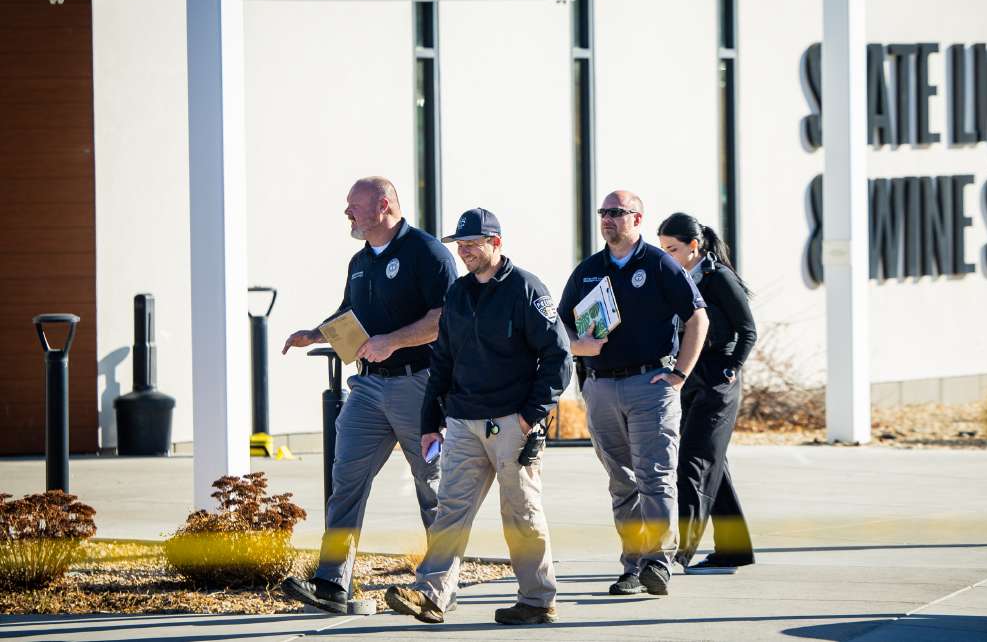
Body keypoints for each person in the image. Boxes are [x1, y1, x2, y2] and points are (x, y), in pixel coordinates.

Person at [385, 208, 571, 626]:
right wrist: (430, 420)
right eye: (461, 245)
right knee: (450, 509)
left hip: (511, 423)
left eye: (473, 244)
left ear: (496, 244)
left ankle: (538, 600)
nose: (465, 252)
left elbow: (558, 358)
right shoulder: (458, 293)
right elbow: (443, 359)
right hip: (465, 421)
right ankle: (431, 595)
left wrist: (529, 417)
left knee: (520, 512)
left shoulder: (526, 288)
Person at [280, 176, 456, 613]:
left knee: (432, 487)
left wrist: (392, 341)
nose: (347, 213)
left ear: (383, 205)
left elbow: (444, 317)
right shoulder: (359, 261)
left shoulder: (427, 252)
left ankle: (437, 589)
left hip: (421, 384)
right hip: (369, 386)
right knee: (346, 482)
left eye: (353, 205)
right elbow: (349, 316)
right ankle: (332, 583)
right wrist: (314, 333)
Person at [557, 190, 709, 597]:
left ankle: (658, 563)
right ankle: (632, 566)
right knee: (621, 482)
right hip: (601, 386)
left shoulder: (658, 264)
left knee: (655, 476)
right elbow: (557, 329)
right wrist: (579, 346)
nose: (608, 219)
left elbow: (698, 316)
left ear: (637, 220)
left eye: (617, 213)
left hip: (651, 385)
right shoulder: (589, 270)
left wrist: (680, 373)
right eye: (603, 212)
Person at [657, 212, 758, 574]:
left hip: (719, 382)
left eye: (673, 248)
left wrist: (732, 368)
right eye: (662, 248)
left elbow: (748, 330)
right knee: (715, 465)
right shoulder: (676, 280)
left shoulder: (718, 278)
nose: (666, 255)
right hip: (690, 379)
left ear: (694, 247)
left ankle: (678, 553)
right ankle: (735, 548)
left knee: (694, 464)